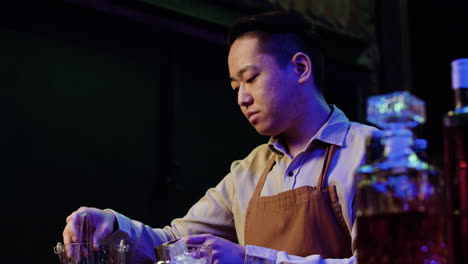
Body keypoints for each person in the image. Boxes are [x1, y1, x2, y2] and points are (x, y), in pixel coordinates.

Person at [62, 10, 378, 264]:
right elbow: (174, 244)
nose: (242, 98)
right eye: (235, 88)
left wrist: (248, 259)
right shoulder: (249, 171)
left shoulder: (369, 151)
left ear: (300, 67)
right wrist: (113, 224)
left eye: (251, 79)